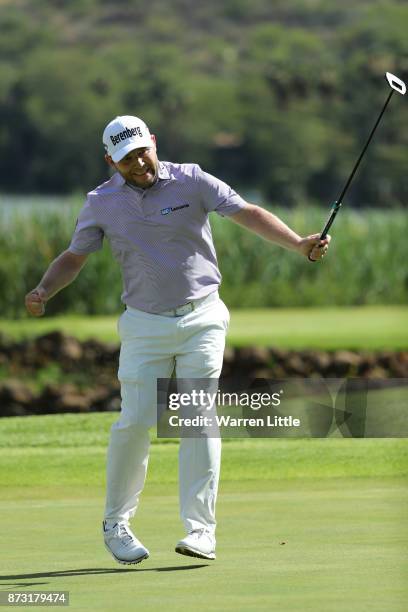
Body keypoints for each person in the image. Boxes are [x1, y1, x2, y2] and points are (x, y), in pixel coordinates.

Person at [25, 115, 330, 564]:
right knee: (136, 420)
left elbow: (245, 212)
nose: (138, 163)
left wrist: (298, 243)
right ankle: (116, 522)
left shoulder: (192, 179)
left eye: (142, 151)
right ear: (111, 160)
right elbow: (75, 255)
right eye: (126, 159)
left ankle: (201, 530)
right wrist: (43, 290)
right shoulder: (101, 202)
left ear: (153, 142)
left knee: (198, 417)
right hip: (144, 324)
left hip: (203, 316)